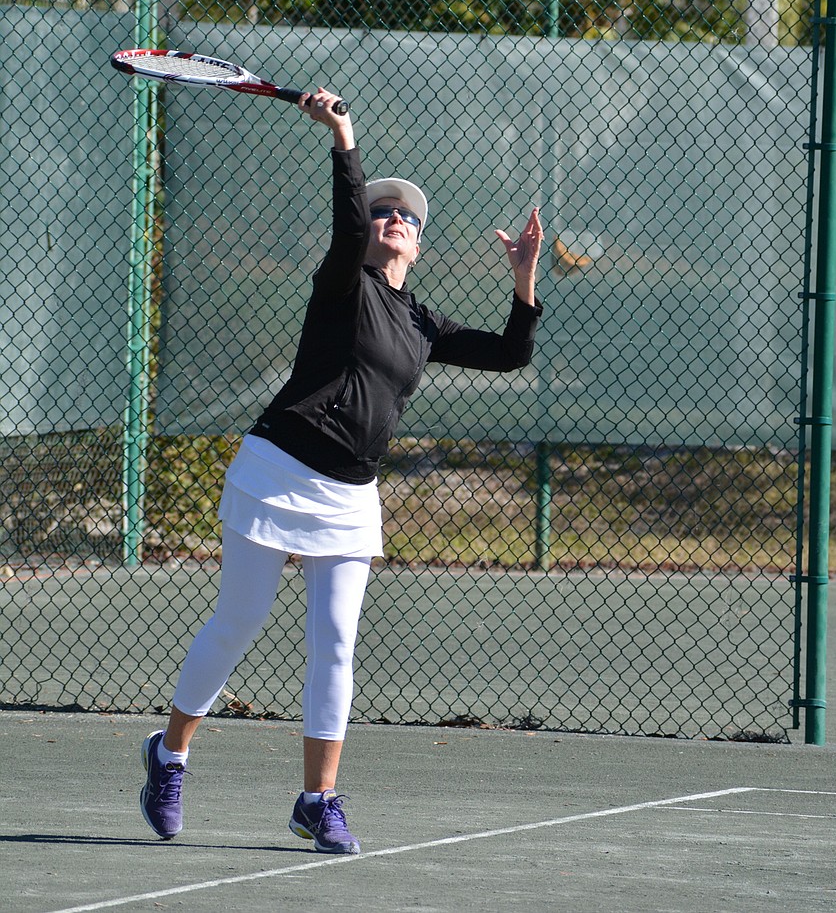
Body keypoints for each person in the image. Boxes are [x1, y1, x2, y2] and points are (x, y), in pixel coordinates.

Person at [139, 86, 543, 854]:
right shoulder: (342, 281)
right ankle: (170, 752)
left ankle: (316, 800)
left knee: (335, 643)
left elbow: (510, 351)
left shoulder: (423, 322)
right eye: (386, 213)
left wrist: (523, 281)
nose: (395, 220)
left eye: (409, 219)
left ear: (419, 246)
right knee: (237, 624)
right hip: (275, 468)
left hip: (351, 498)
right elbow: (348, 217)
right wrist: (343, 133)